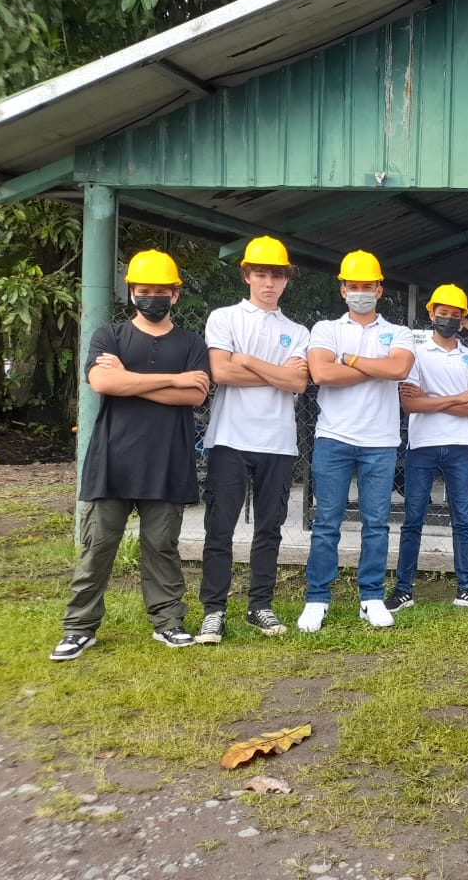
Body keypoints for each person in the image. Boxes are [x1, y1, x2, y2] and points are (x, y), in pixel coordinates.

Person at [50, 250, 210, 661]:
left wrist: (130, 379)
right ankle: (78, 628)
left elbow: (195, 395)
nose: (152, 297)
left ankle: (169, 621)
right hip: (111, 460)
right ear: (131, 292)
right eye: (144, 290)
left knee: (162, 546)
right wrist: (171, 379)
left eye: (161, 291)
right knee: (98, 545)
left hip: (168, 461)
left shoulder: (192, 342)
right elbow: (102, 381)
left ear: (176, 294)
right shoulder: (110, 336)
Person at [196, 236, 310, 643]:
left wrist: (245, 359)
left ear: (286, 281)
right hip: (230, 437)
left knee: (269, 528)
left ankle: (259, 605)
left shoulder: (297, 330)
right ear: (247, 275)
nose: (269, 283)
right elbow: (221, 373)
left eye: (277, 276)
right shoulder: (224, 318)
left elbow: (297, 381)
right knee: (219, 528)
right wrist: (271, 372)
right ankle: (214, 610)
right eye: (261, 274)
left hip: (278, 442)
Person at [298, 250, 415, 632]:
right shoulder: (326, 328)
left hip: (380, 442)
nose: (361, 292)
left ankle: (371, 597)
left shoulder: (398, 333)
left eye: (368, 286)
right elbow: (320, 373)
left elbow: (398, 368)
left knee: (376, 523)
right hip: (333, 438)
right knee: (327, 522)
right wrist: (372, 366)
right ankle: (317, 599)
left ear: (379, 289)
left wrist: (347, 359)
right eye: (354, 286)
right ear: (343, 289)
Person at [390, 283, 468, 612]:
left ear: (463, 319)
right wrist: (456, 398)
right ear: (431, 313)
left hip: (461, 446)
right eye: (442, 313)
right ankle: (403, 589)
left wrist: (432, 401)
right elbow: (410, 404)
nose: (448, 319)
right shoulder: (416, 355)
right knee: (413, 519)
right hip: (422, 446)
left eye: (454, 314)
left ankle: (467, 588)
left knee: (462, 519)